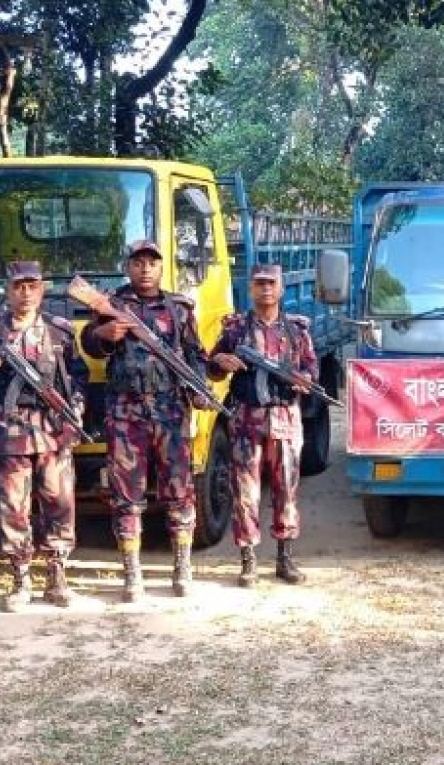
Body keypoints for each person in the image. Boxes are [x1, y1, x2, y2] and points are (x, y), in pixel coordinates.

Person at [81, 240, 210, 602]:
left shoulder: (179, 309)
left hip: (170, 411)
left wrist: (199, 388)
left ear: (161, 267)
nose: (145, 269)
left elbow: (196, 356)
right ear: (128, 267)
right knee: (126, 495)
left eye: (152, 262)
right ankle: (132, 574)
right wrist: (102, 335)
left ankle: (182, 567)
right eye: (138, 262)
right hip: (126, 413)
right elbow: (89, 344)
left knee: (180, 491)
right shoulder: (112, 305)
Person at [0, 261, 88, 611]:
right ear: (8, 289)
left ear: (42, 289)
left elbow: (77, 378)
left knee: (59, 502)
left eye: (32, 286)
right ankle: (20, 577)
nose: (26, 293)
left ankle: (57, 573)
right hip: (10, 428)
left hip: (52, 428)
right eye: (19, 286)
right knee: (14, 507)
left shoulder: (60, 331)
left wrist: (74, 411)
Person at [208, 263, 318, 586]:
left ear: (281, 288)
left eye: (272, 283)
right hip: (246, 419)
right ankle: (248, 560)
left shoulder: (297, 331)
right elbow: (211, 367)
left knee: (286, 487)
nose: (266, 289)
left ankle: (285, 558)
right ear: (251, 288)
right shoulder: (235, 330)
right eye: (259, 283)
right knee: (245, 490)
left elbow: (312, 369)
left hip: (284, 417)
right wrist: (220, 362)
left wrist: (305, 380)